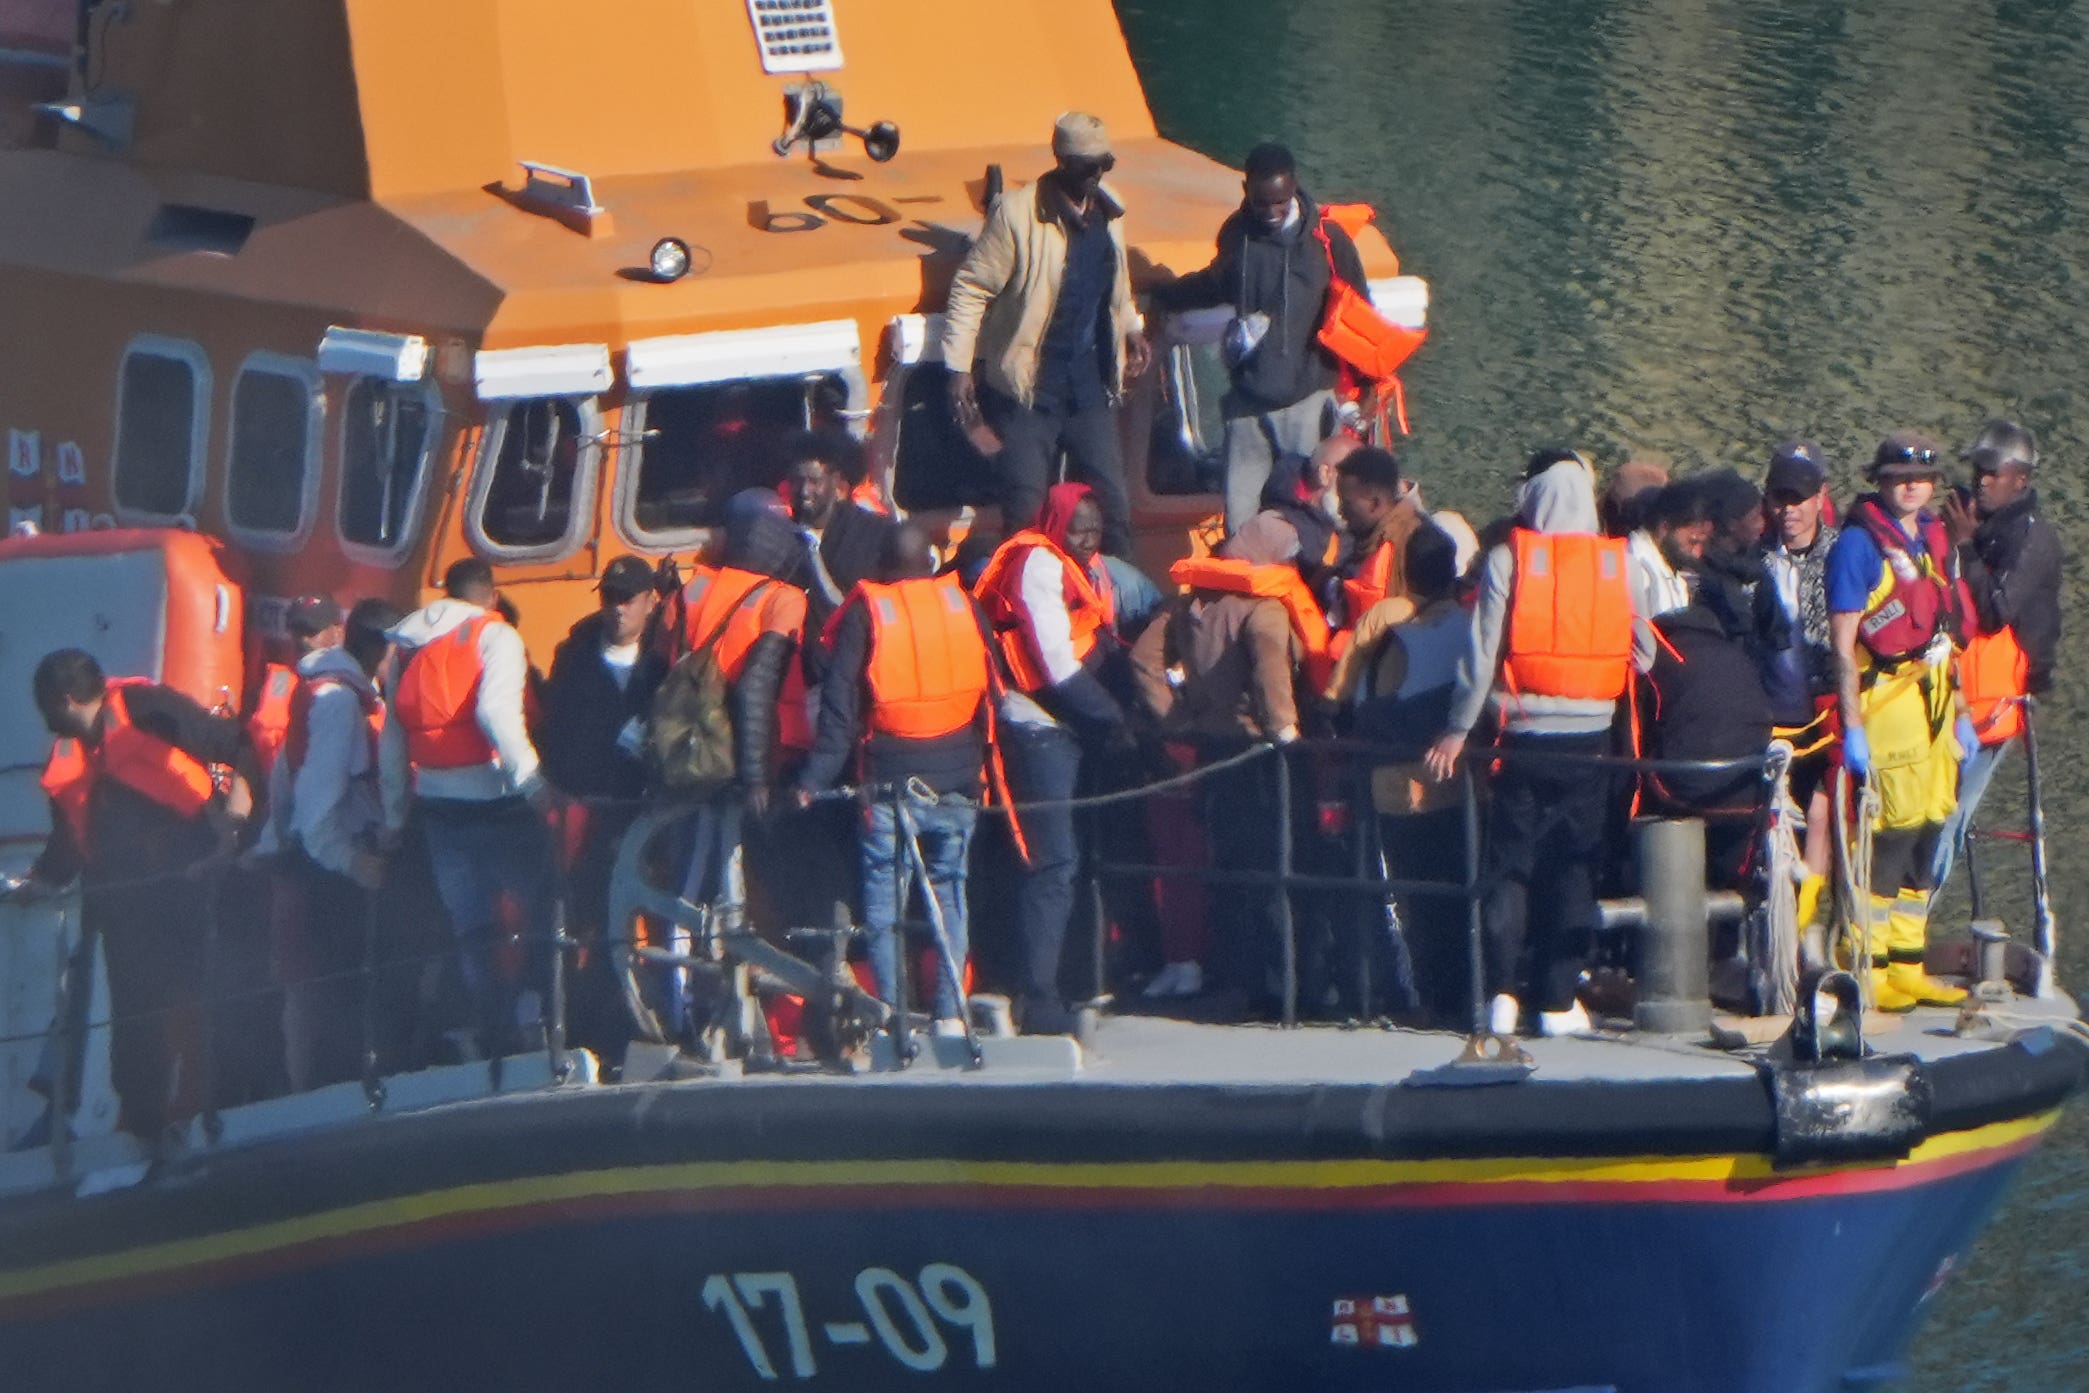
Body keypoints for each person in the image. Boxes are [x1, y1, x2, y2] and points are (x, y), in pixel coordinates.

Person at [1425, 453, 1636, 1037]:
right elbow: (1642, 649)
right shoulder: (1620, 564)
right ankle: (1558, 999)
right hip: (1593, 741)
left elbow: (1481, 655)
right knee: (1573, 866)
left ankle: (1501, 994)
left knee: (1510, 866)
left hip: (1522, 739)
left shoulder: (1506, 559)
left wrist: (1457, 730)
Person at [13, 650, 261, 1139]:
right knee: (134, 1022)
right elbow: (69, 840)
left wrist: (236, 814)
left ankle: (207, 1110)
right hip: (123, 908)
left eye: (46, 705)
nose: (45, 720)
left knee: (197, 998)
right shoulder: (71, 755)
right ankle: (141, 1128)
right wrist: (39, 881)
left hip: (189, 883)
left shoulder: (148, 708)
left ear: (65, 699)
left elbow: (233, 743)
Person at [796, 523, 996, 1036]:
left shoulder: (867, 612)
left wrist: (811, 781)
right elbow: (991, 693)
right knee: (951, 895)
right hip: (959, 781)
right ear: (931, 564)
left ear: (882, 569)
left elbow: (839, 715)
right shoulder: (963, 605)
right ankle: (949, 1015)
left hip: (889, 787)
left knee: (886, 901)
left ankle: (891, 1018)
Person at [941, 111, 1150, 557]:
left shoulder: (1110, 210)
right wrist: (958, 367)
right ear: (1062, 160)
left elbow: (1115, 287)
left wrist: (1132, 326)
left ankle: (1115, 592)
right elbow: (971, 288)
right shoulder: (1017, 215)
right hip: (1029, 390)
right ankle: (1017, 591)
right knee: (1025, 510)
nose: (1096, 175)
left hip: (1089, 386)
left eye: (1104, 164)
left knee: (1113, 505)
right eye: (1087, 166)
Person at [383, 557, 559, 1057]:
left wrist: (394, 816)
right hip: (499, 802)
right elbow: (495, 711)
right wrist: (533, 783)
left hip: (437, 804)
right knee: (542, 907)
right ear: (491, 595)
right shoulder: (495, 636)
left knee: (472, 925)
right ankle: (540, 1020)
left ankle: (492, 1029)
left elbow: (393, 738)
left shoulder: (408, 647)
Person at [1132, 513, 1308, 1000]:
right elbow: (1271, 672)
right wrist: (1285, 731)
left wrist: (1175, 719)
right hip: (1259, 753)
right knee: (1272, 869)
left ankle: (1232, 978)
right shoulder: (1264, 610)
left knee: (1224, 864)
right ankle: (1280, 990)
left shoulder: (1191, 603)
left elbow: (1143, 659)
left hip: (1211, 750)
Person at [1149, 142, 1370, 532]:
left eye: (1280, 203)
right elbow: (1216, 284)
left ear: (1294, 187)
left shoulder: (1327, 242)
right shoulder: (1237, 234)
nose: (1270, 212)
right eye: (1260, 202)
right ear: (1245, 190)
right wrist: (1165, 294)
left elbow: (1361, 316)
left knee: (1308, 518)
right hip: (1247, 404)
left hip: (1306, 403)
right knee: (1240, 518)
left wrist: (1366, 392)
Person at [974, 483, 1128, 1031]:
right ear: (1056, 525)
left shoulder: (1091, 569)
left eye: (1094, 530)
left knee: (1078, 858)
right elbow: (1054, 662)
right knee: (1053, 861)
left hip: (1076, 726)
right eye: (1077, 530)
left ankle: (1079, 979)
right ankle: (1036, 996)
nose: (1087, 540)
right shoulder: (1037, 564)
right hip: (1039, 727)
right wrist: (1115, 718)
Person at [1826, 432, 1971, 1011]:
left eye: (1921, 479)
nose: (1911, 487)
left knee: (1932, 827)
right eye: (1899, 478)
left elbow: (1947, 629)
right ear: (1880, 481)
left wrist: (1962, 711)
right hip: (1887, 703)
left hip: (1935, 703)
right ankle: (1867, 961)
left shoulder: (1933, 536)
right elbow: (1842, 646)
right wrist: (1852, 728)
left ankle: (1908, 961)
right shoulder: (1858, 547)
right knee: (1889, 836)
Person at [538, 555, 669, 1051]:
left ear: (650, 601)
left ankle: (666, 1020)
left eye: (628, 598)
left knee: (661, 920)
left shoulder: (666, 655)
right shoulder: (573, 654)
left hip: (652, 810)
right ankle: (594, 1031)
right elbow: (555, 729)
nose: (617, 608)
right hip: (592, 810)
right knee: (589, 919)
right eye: (610, 597)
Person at [267, 599, 397, 1091]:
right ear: (384, 649)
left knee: (344, 987)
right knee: (346, 988)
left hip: (336, 861)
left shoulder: (326, 692)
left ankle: (342, 1082)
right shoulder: (338, 702)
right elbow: (314, 804)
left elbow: (284, 777)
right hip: (341, 871)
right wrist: (353, 862)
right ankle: (345, 1088)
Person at [1932, 420, 2062, 890]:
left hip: (1995, 707)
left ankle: (1912, 919)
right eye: (1977, 471)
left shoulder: (2031, 537)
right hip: (1954, 698)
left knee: (1946, 819)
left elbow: (1995, 611)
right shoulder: (1978, 521)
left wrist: (1965, 546)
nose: (1981, 480)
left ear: (2020, 479)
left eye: (1992, 472)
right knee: (1926, 816)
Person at [1350, 524, 1471, 1023]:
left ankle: (1428, 999)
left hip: (1402, 791)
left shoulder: (1396, 639)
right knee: (1459, 894)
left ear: (1404, 572)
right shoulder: (1474, 628)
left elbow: (1362, 707)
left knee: (1414, 901)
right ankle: (1466, 994)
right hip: (1462, 788)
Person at [1758, 440, 1841, 920]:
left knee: (1822, 816)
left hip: (1824, 714)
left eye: (1800, 498)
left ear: (1820, 496)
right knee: (1771, 825)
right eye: (1780, 498)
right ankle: (1771, 921)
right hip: (1769, 717)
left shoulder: (1842, 553)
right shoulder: (1754, 558)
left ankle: (1807, 923)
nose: (1789, 510)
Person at [783, 431, 900, 653]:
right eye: (797, 481)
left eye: (814, 481)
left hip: (856, 651)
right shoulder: (781, 532)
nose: (804, 491)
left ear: (837, 483)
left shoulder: (873, 532)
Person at [246, 594, 345, 777]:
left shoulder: (353, 681)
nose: (303, 640)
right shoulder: (282, 679)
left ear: (337, 633)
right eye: (297, 632)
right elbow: (267, 733)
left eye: (312, 632)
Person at [1626, 477, 1711, 670]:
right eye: (1692, 542)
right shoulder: (1637, 568)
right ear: (1664, 527)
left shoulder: (1669, 567)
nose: (1697, 554)